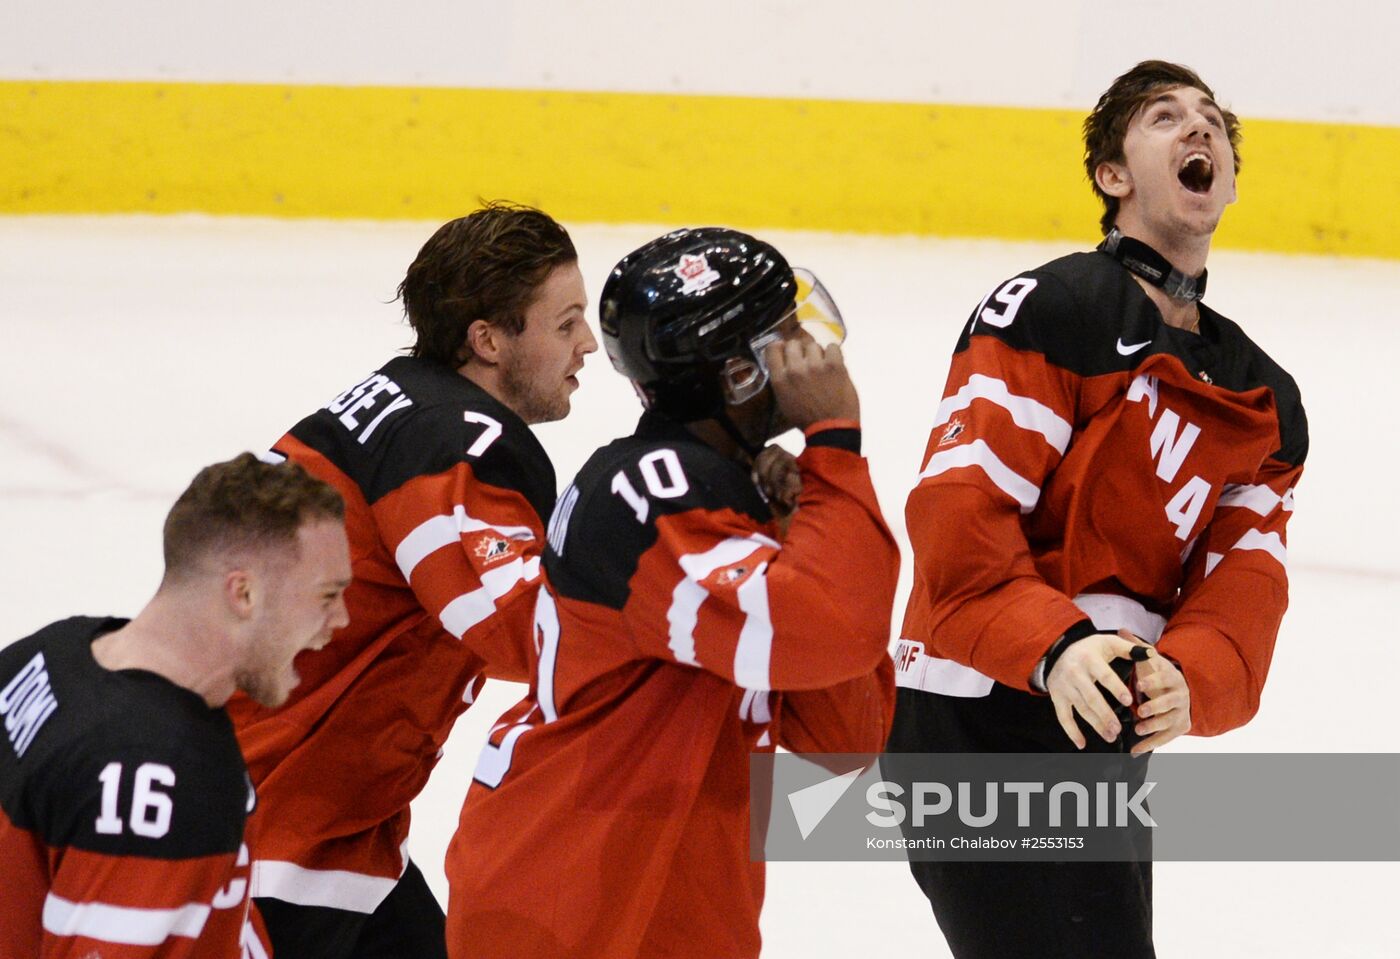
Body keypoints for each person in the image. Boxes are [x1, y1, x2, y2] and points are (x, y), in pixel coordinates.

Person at [887, 60, 1308, 957]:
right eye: (1164, 118)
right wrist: (1054, 643)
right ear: (1111, 178)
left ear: (1229, 176)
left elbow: (1246, 576)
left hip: (1100, 728)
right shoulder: (1055, 307)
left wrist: (1192, 674)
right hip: (974, 712)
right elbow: (961, 510)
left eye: (1212, 122)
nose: (1199, 130)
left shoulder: (1264, 393)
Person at [442, 227, 900, 958]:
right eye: (783, 334)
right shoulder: (650, 493)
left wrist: (802, 517)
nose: (812, 349)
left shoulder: (727, 494)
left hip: (670, 905)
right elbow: (829, 631)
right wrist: (835, 445)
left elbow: (846, 738)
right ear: (736, 373)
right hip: (563, 902)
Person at [229, 201, 597, 958]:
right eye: (564, 324)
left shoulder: (395, 402)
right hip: (279, 838)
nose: (588, 344)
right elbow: (523, 637)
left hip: (313, 818)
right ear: (488, 339)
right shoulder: (460, 444)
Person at [0, 452, 350, 958]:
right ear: (245, 594)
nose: (340, 619)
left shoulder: (48, 652)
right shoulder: (169, 776)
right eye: (326, 595)